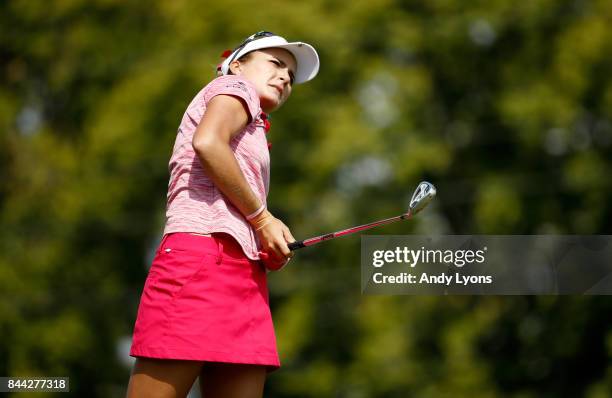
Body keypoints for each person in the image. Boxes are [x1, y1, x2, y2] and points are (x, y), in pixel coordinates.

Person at [126, 31, 319, 398]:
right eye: (276, 64)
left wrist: (263, 240)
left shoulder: (256, 123)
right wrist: (263, 220)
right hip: (199, 262)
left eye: (291, 76)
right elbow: (207, 142)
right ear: (236, 64)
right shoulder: (235, 87)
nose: (285, 78)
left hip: (244, 275)